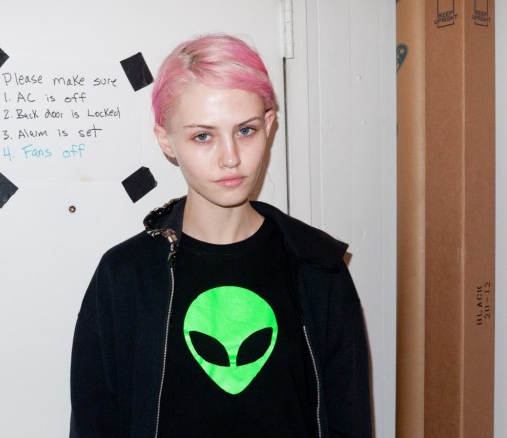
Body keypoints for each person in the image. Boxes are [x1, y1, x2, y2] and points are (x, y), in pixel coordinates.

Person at [70, 34, 371, 438]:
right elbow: (94, 423)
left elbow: (349, 419)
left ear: (268, 125)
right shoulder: (125, 275)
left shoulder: (318, 267)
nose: (230, 157)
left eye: (245, 130)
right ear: (166, 140)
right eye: (203, 136)